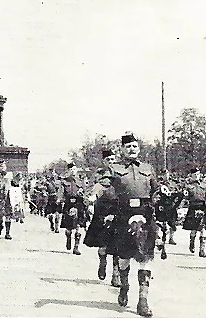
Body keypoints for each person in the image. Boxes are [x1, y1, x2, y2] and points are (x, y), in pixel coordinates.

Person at [105, 133, 158, 317]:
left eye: (134, 146)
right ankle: (124, 286)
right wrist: (95, 198)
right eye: (128, 147)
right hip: (123, 215)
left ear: (139, 148)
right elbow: (103, 187)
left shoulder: (148, 168)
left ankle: (143, 301)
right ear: (122, 150)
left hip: (145, 214)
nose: (132, 149)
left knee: (145, 257)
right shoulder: (114, 168)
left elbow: (156, 189)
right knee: (124, 257)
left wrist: (163, 195)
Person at [84, 150, 121, 287]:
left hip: (118, 212)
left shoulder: (121, 175)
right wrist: (92, 199)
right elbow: (94, 190)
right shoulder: (99, 176)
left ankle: (116, 275)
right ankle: (102, 262)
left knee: (118, 246)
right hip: (102, 212)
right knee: (103, 246)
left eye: (113, 159)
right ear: (104, 161)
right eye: (109, 160)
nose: (111, 162)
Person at [60, 162, 88, 255]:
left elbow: (85, 193)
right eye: (71, 169)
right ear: (68, 171)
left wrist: (84, 196)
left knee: (78, 227)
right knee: (68, 228)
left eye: (74, 169)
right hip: (68, 205)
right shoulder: (64, 182)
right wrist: (61, 200)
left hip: (79, 205)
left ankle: (76, 247)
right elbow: (61, 194)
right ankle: (68, 238)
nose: (73, 171)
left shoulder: (80, 182)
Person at [182, 167, 206, 258]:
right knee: (193, 229)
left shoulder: (204, 186)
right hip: (193, 208)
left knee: (203, 230)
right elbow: (185, 198)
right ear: (191, 176)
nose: (196, 176)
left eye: (198, 174)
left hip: (202, 208)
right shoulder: (188, 187)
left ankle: (202, 250)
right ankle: (192, 243)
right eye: (194, 175)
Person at [0, 160, 19, 240]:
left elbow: (15, 185)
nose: (2, 168)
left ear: (6, 167)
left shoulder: (10, 175)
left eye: (3, 166)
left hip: (8, 197)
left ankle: (7, 233)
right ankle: (0, 226)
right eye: (0, 166)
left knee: (8, 215)